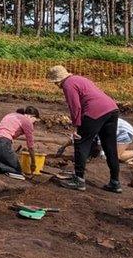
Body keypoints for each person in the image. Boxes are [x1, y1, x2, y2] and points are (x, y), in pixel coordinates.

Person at [48, 65, 122, 193]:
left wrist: (77, 126)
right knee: (110, 146)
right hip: (111, 109)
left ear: (58, 80)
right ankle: (115, 182)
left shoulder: (68, 84)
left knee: (80, 142)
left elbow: (75, 107)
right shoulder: (79, 79)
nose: (56, 85)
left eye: (55, 82)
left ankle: (79, 180)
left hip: (94, 111)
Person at [0, 106, 40, 179]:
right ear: (31, 116)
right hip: (2, 145)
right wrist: (33, 163)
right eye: (35, 122)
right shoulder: (27, 122)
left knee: (7, 164)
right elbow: (30, 146)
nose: (34, 125)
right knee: (17, 171)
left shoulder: (11, 115)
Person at [55, 117, 133, 166]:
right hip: (114, 128)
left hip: (124, 131)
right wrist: (62, 147)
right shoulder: (84, 130)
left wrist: (88, 157)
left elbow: (100, 149)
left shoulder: (97, 136)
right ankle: (129, 158)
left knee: (115, 156)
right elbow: (73, 139)